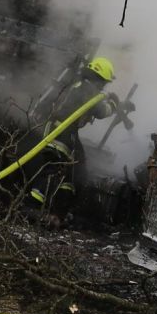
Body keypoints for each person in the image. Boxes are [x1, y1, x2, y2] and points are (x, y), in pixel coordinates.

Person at [21, 56, 119, 228]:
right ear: (99, 78)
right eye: (104, 82)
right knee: (54, 169)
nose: (104, 86)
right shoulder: (87, 89)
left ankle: (59, 213)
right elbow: (100, 110)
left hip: (68, 132)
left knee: (74, 172)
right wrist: (113, 104)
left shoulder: (81, 86)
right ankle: (31, 207)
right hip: (60, 132)